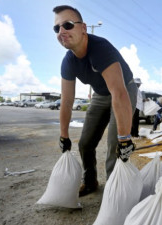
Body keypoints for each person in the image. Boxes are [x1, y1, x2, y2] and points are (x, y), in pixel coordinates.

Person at [53, 5, 138, 197]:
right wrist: (63, 136)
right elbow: (66, 102)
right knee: (85, 143)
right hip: (100, 95)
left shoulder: (100, 48)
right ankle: (90, 181)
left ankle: (115, 194)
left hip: (124, 89)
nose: (62, 31)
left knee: (115, 146)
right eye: (57, 28)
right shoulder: (68, 62)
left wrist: (125, 139)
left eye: (67, 25)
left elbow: (118, 92)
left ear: (83, 28)